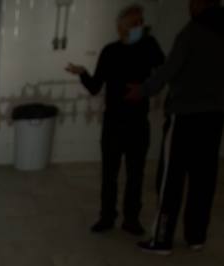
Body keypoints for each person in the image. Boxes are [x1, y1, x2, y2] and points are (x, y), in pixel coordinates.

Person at [127, 0, 224, 254]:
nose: (189, 6)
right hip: (215, 114)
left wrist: (143, 90)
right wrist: (219, 85)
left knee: (170, 178)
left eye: (192, 2)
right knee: (203, 178)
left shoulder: (193, 31)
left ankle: (162, 240)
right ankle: (196, 237)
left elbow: (169, 69)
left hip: (184, 115)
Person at [65, 4, 164, 236]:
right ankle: (107, 217)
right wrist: (82, 73)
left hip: (138, 122)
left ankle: (132, 219)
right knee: (109, 173)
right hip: (114, 122)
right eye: (133, 24)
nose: (139, 27)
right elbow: (95, 86)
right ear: (121, 28)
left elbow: (164, 72)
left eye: (141, 22)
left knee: (135, 173)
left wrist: (146, 89)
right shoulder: (110, 52)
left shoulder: (149, 47)